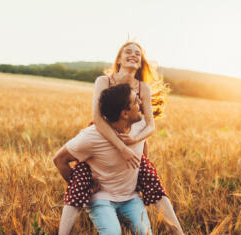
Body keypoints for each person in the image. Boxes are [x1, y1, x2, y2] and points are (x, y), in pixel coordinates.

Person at [56, 42, 184, 234]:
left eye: (138, 54)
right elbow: (97, 119)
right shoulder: (104, 81)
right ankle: (76, 214)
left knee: (150, 176)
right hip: (104, 131)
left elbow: (149, 125)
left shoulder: (143, 89)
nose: (133, 55)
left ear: (141, 63)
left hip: (133, 135)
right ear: (118, 59)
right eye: (128, 52)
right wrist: (122, 148)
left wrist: (134, 145)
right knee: (82, 174)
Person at [54, 84, 152, 234]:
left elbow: (144, 148)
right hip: (102, 198)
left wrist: (139, 177)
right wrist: (83, 187)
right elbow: (59, 159)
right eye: (135, 101)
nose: (140, 102)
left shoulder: (141, 125)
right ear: (125, 114)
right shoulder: (91, 137)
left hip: (131, 197)